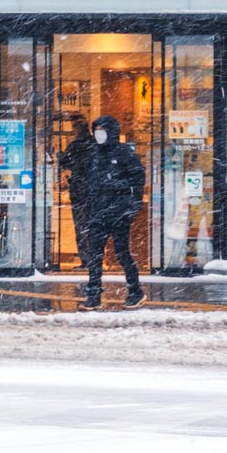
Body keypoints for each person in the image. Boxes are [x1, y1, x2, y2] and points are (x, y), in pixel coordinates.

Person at [78, 115, 146, 310]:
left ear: (111, 131)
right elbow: (87, 179)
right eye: (96, 130)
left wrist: (131, 203)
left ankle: (135, 291)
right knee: (94, 255)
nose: (99, 134)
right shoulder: (94, 154)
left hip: (119, 213)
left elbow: (138, 179)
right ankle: (93, 296)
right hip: (98, 212)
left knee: (122, 253)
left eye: (102, 130)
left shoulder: (124, 153)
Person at [56, 116, 96, 267]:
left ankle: (86, 259)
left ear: (77, 130)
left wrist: (60, 155)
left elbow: (66, 163)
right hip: (93, 191)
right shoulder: (94, 144)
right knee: (93, 227)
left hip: (79, 191)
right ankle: (94, 259)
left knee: (81, 227)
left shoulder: (75, 145)